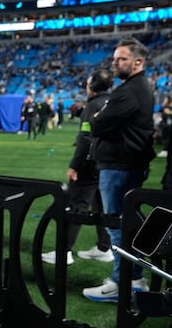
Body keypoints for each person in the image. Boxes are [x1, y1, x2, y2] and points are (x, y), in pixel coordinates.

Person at [82, 37, 155, 303]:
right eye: (114, 58)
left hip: (120, 167)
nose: (115, 63)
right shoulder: (138, 87)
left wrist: (98, 117)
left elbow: (99, 124)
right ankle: (132, 278)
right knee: (125, 224)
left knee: (118, 225)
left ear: (138, 62)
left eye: (121, 58)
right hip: (126, 165)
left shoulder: (129, 91)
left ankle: (123, 282)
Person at [41, 70, 113, 266]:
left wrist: (75, 165)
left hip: (89, 164)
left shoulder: (92, 106)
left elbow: (85, 139)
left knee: (76, 205)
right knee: (101, 206)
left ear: (91, 86)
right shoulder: (114, 102)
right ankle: (105, 247)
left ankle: (64, 251)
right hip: (106, 163)